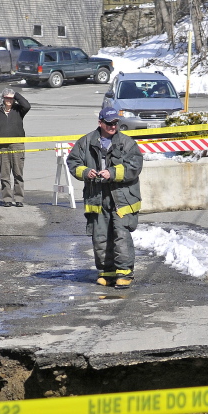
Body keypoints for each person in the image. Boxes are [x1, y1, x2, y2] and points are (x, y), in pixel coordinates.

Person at [66, 107, 143, 288]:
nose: (112, 126)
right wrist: (86, 172)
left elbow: (135, 165)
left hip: (122, 198)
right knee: (100, 236)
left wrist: (112, 173)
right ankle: (106, 272)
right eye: (109, 123)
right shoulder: (85, 142)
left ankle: (124, 273)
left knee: (121, 235)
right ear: (100, 123)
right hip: (97, 197)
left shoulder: (127, 143)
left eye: (115, 123)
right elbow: (73, 162)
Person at [0, 88, 30, 207]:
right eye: (6, 98)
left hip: (17, 144)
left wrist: (15, 94)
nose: (9, 100)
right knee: (4, 174)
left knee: (18, 173)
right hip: (2, 146)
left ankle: (18, 199)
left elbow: (27, 105)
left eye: (11, 98)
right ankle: (7, 199)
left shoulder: (19, 110)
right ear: (3, 98)